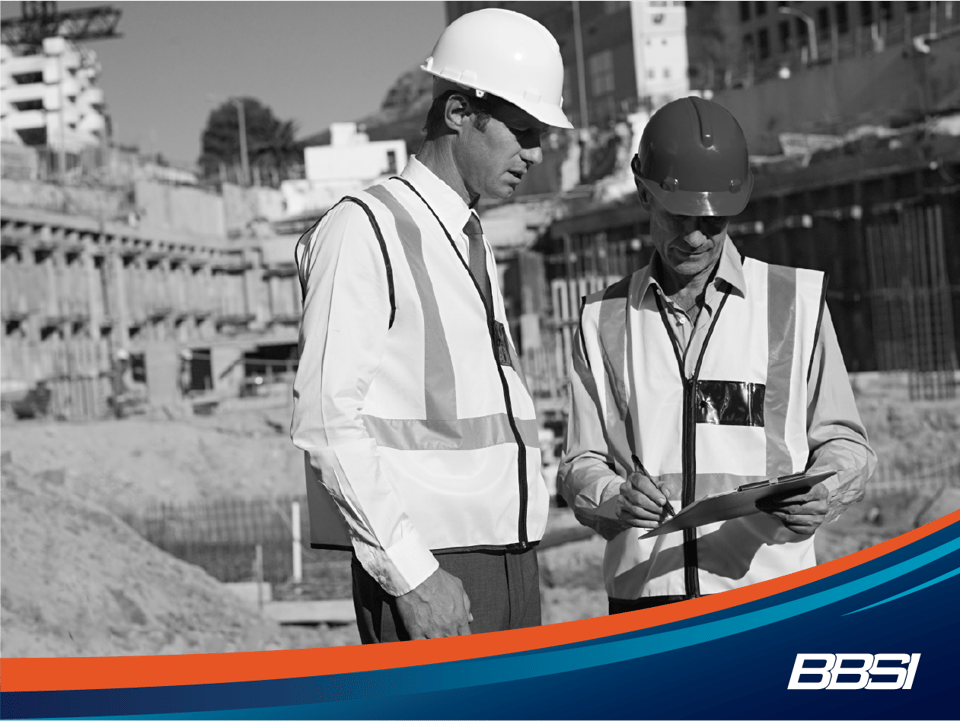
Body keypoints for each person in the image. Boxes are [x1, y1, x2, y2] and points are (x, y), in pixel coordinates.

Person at [290, 8, 573, 643]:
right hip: (437, 569)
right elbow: (326, 423)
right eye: (523, 131)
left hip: (509, 559)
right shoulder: (365, 229)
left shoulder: (466, 238)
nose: (534, 154)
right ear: (457, 114)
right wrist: (413, 576)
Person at [558, 97, 877, 614]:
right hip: (646, 602)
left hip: (770, 595)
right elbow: (579, 462)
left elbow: (846, 442)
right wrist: (615, 497)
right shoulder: (602, 318)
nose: (696, 237)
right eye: (679, 217)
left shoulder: (793, 303)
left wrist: (827, 492)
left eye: (714, 221)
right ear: (643, 193)